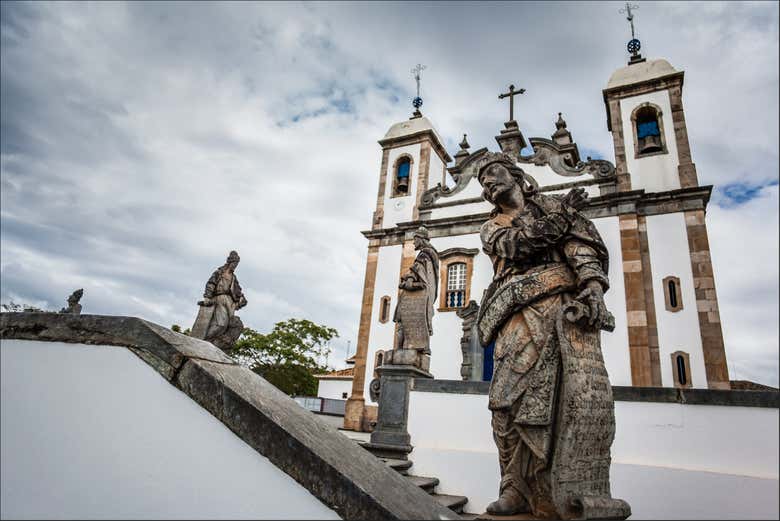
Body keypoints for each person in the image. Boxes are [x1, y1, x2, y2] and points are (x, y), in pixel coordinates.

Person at [476, 153, 612, 517]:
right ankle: (514, 486)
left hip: (558, 313)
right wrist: (564, 214)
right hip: (515, 315)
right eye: (482, 180)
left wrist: (594, 285)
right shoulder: (492, 228)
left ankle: (550, 487)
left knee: (557, 402)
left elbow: (578, 245)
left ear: (516, 175)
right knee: (504, 402)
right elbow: (517, 246)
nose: (488, 182)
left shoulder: (552, 206)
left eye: (493, 173)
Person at [393, 226, 439, 354]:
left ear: (421, 239)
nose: (413, 242)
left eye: (415, 239)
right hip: (422, 298)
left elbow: (421, 279)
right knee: (411, 323)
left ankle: (399, 350)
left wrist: (408, 282)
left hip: (417, 298)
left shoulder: (425, 255)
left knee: (402, 323)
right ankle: (412, 348)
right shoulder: (429, 255)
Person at [191, 251, 247, 350]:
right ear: (230, 262)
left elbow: (238, 291)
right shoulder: (219, 272)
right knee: (220, 324)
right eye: (234, 263)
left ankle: (216, 345)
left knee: (228, 326)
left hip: (230, 302)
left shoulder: (234, 277)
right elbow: (211, 284)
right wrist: (207, 297)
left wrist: (242, 299)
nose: (235, 266)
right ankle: (205, 341)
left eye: (236, 264)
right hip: (219, 298)